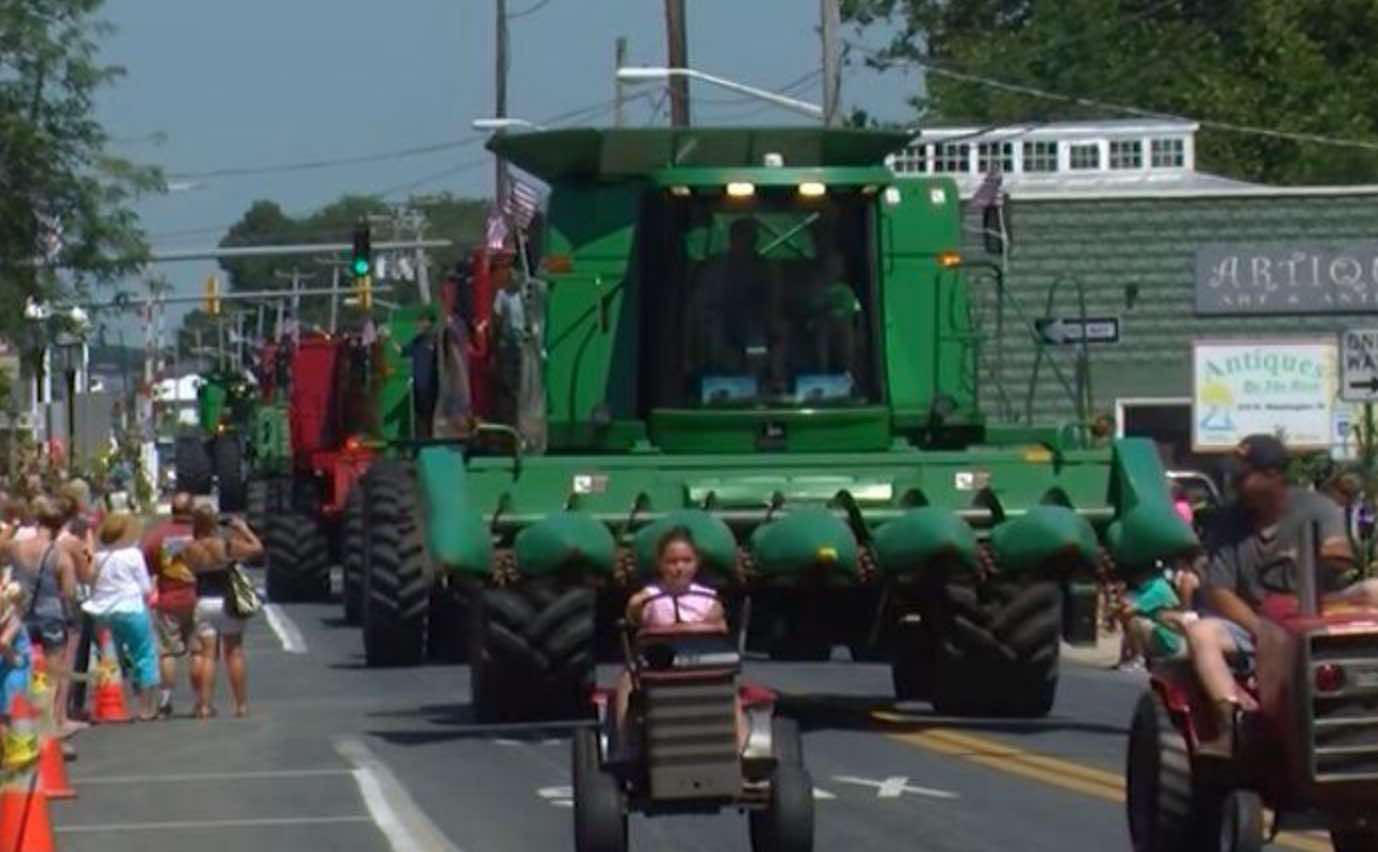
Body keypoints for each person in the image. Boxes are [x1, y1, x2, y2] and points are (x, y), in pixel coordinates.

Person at [1185, 434, 1378, 756]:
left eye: (1243, 476)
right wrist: (1261, 630)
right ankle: (1234, 722)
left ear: (1273, 475)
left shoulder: (1317, 508)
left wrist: (1326, 554)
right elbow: (1220, 591)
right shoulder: (1227, 523)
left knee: (1374, 590)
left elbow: (1340, 554)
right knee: (1201, 633)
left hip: (1318, 608)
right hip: (1257, 620)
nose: (1235, 483)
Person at [613, 527, 742, 760]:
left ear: (696, 563)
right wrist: (637, 605)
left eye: (686, 560)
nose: (679, 567)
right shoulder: (647, 597)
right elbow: (633, 617)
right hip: (657, 666)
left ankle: (738, 746)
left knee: (730, 687)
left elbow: (720, 631)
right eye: (671, 561)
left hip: (700, 664)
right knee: (626, 683)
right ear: (660, 564)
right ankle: (626, 744)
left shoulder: (709, 598)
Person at [3, 496, 79, 736]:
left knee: (18, 671)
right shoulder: (60, 555)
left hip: (21, 615)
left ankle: (19, 720)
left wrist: (14, 525)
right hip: (51, 616)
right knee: (53, 675)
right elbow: (69, 591)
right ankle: (50, 725)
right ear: (59, 527)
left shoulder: (16, 548)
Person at [183, 506, 263, 718]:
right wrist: (243, 529)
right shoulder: (225, 545)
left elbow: (190, 571)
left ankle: (204, 705)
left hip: (203, 601)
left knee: (209, 656)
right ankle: (241, 705)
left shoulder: (190, 548)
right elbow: (256, 548)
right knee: (234, 652)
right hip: (226, 600)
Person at [82, 514, 160, 720]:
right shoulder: (133, 554)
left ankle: (110, 702)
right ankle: (146, 708)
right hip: (131, 607)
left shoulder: (98, 557)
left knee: (109, 658)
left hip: (103, 612)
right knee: (144, 655)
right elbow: (144, 586)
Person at [694, 218, 782, 379]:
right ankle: (717, 377)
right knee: (715, 336)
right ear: (732, 238)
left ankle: (758, 380)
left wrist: (770, 322)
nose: (746, 242)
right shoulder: (715, 267)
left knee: (758, 343)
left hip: (756, 324)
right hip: (719, 321)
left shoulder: (765, 269)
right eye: (742, 236)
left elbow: (773, 301)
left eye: (751, 237)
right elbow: (701, 301)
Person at [143, 492, 199, 718]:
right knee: (199, 651)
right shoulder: (201, 534)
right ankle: (200, 700)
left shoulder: (158, 535)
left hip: (168, 599)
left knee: (167, 652)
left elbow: (146, 564)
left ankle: (166, 698)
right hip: (197, 597)